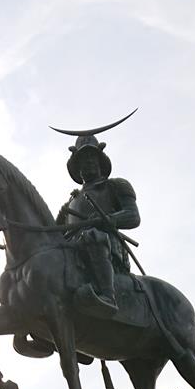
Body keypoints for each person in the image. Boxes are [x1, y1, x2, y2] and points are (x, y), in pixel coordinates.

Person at [56, 132, 140, 316]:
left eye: (91, 158)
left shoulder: (116, 185)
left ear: (100, 161)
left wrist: (109, 219)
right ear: (76, 168)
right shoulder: (71, 203)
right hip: (76, 251)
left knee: (92, 235)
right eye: (82, 160)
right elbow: (56, 235)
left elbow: (133, 216)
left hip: (108, 248)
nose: (87, 163)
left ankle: (108, 296)